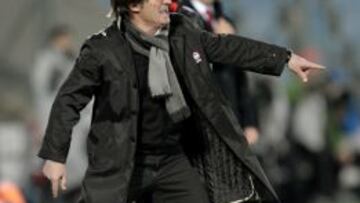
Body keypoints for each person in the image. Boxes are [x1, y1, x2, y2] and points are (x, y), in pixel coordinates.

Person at [37, 0, 325, 202]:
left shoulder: (182, 33)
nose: (168, 1)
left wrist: (284, 58)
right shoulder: (102, 49)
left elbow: (228, 47)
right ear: (135, 5)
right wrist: (55, 156)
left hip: (171, 159)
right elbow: (68, 100)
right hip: (119, 161)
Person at [180, 0, 260, 145]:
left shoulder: (226, 21)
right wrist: (220, 43)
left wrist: (250, 121)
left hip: (232, 120)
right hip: (198, 125)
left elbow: (240, 75)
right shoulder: (178, 16)